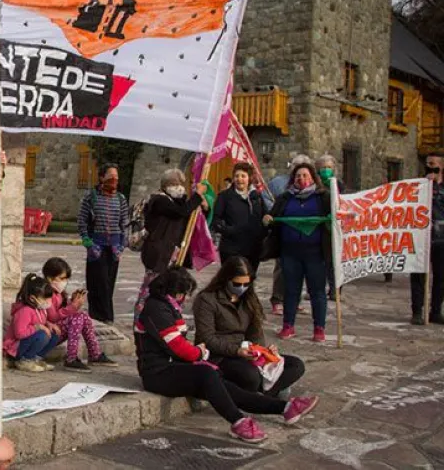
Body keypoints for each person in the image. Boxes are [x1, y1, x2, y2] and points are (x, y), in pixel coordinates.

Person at [134, 267, 319, 443]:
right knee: (208, 375)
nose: (184, 298)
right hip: (158, 372)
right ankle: (238, 421)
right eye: (182, 294)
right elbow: (179, 347)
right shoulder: (157, 309)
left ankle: (284, 408)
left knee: (226, 387)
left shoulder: (169, 308)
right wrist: (200, 353)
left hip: (177, 365)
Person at [193, 257, 306, 398]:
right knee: (250, 376)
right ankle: (265, 392)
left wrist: (263, 351)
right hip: (220, 355)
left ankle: (261, 393)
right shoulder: (207, 299)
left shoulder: (249, 298)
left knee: (296, 365)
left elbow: (255, 331)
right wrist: (237, 351)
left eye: (246, 284)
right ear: (226, 279)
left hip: (246, 352)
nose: (241, 288)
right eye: (237, 284)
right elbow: (207, 338)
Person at [264, 163, 331, 342]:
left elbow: (334, 217)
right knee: (291, 290)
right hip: (290, 252)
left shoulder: (323, 197)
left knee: (317, 291)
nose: (301, 179)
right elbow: (272, 215)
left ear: (312, 178)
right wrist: (268, 218)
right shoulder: (285, 198)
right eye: (298, 176)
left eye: (305, 175)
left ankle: (319, 328)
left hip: (315, 253)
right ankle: (288, 326)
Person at [41, 257, 119, 372]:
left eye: (66, 279)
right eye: (61, 278)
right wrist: (73, 307)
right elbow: (53, 317)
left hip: (57, 330)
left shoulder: (59, 293)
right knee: (77, 317)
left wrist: (72, 301)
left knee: (83, 316)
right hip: (49, 332)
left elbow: (62, 311)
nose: (64, 282)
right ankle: (71, 358)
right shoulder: (47, 293)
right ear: (49, 278)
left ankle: (95, 354)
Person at [76, 164, 129, 323]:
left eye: (116, 177)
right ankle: (102, 316)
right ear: (101, 177)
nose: (114, 180)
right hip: (96, 246)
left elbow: (124, 224)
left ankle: (103, 316)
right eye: (110, 176)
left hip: (114, 248)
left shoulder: (121, 199)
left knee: (109, 283)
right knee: (97, 282)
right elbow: (82, 221)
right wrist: (88, 242)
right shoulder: (91, 197)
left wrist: (122, 244)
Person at [265, 154, 313, 316]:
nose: (300, 174)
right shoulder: (278, 184)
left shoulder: (311, 187)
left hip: (304, 234)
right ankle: (277, 299)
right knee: (282, 268)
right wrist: (277, 213)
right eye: (296, 167)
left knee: (299, 269)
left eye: (304, 168)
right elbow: (267, 200)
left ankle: (294, 300)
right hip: (283, 232)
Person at [140, 168, 208, 274]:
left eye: (181, 183)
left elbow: (190, 217)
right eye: (174, 183)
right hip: (159, 251)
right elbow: (180, 212)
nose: (179, 187)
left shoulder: (178, 201)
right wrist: (197, 195)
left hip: (174, 250)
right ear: (165, 185)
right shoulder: (159, 200)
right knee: (155, 282)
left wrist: (204, 207)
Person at [213, 163, 268, 275]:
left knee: (249, 281)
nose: (239, 179)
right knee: (232, 281)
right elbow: (216, 220)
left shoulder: (256, 196)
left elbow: (265, 216)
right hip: (231, 249)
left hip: (253, 248)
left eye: (243, 176)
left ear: (249, 178)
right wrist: (230, 230)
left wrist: (263, 231)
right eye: (237, 176)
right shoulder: (225, 196)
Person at [3, 274, 61, 372]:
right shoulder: (24, 311)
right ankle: (25, 360)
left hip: (27, 340)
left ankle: (35, 358)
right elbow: (20, 333)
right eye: (45, 299)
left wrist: (48, 324)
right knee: (42, 335)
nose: (49, 301)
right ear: (32, 298)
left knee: (54, 334)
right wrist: (38, 327)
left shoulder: (39, 309)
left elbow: (38, 320)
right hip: (15, 347)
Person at [412, 151, 444, 325]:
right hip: (421, 237)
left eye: (433, 163)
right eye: (428, 163)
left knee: (440, 277)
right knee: (418, 275)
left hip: (441, 238)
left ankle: (436, 311)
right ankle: (417, 311)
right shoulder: (418, 184)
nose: (430, 166)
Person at [315, 154, 345, 301]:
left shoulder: (337, 184)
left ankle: (335, 289)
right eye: (323, 168)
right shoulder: (315, 185)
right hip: (318, 227)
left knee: (333, 261)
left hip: (333, 227)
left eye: (329, 167)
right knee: (320, 261)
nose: (326, 170)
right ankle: (317, 288)